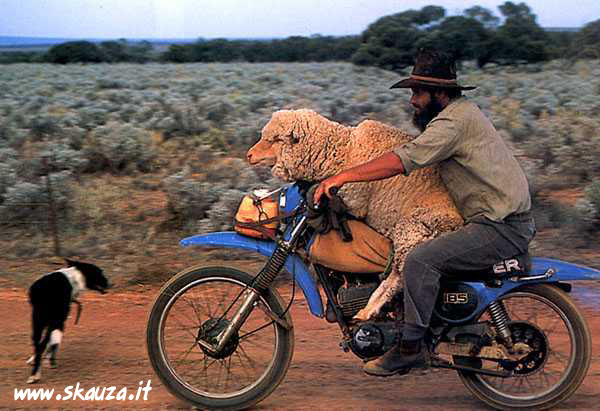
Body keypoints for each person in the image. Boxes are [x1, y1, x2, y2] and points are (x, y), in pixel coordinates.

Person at [313, 48, 536, 377]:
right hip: (494, 220)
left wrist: (343, 176)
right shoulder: (459, 114)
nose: (412, 101)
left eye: (418, 92)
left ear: (439, 93)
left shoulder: (454, 123)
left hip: (499, 227)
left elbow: (404, 159)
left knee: (420, 260)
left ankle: (411, 348)